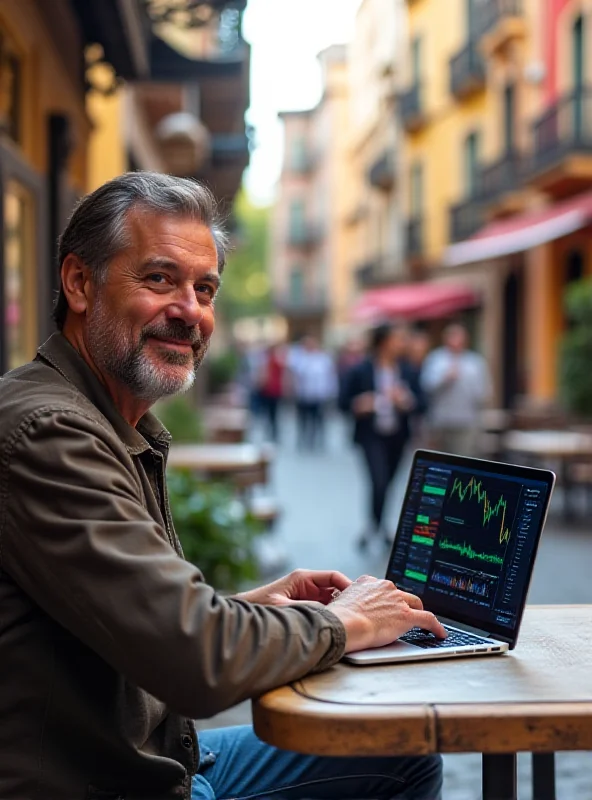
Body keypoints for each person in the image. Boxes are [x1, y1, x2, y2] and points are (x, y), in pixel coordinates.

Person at [0, 172, 445, 800]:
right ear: (79, 283)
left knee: (399, 747)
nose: (189, 311)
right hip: (107, 781)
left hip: (146, 757)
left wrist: (249, 610)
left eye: (204, 288)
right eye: (159, 279)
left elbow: (145, 622)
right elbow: (195, 664)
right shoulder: (51, 432)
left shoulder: (96, 415)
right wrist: (345, 625)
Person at [339, 323, 424, 548]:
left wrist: (406, 401)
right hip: (371, 435)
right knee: (378, 481)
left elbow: (422, 403)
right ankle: (374, 527)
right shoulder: (361, 370)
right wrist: (359, 404)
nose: (402, 343)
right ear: (384, 342)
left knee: (389, 483)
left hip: (397, 436)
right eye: (398, 338)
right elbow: (342, 402)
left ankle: (377, 526)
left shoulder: (407, 370)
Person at [420, 322, 492, 457]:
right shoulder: (436, 359)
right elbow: (426, 386)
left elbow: (484, 392)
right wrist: (444, 379)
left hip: (466, 421)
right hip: (440, 420)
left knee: (463, 457)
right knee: (439, 461)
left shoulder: (475, 362)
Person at [290, 335, 338, 450]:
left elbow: (330, 376)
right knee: (303, 419)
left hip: (319, 395)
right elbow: (294, 376)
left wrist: (332, 392)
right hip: (304, 395)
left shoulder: (323, 358)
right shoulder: (300, 358)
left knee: (319, 419)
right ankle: (304, 439)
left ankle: (318, 440)